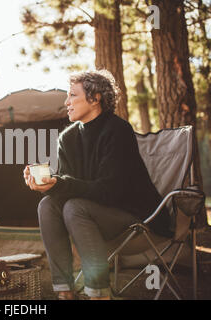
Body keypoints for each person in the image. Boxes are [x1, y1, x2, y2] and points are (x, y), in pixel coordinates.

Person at [23, 70, 170, 300]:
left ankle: (99, 293)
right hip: (90, 218)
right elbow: (68, 192)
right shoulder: (68, 139)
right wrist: (49, 186)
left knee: (74, 207)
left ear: (95, 98)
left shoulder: (118, 130)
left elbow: (109, 192)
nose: (66, 102)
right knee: (47, 206)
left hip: (134, 218)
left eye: (72, 95)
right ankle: (65, 291)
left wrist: (62, 184)